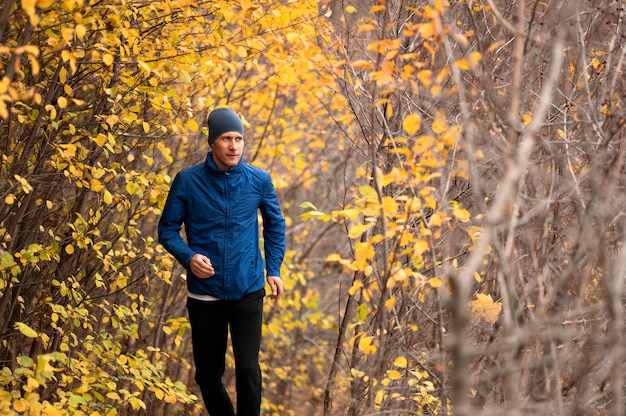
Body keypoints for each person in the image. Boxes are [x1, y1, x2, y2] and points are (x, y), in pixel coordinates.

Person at [158, 107, 286, 416]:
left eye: (239, 138)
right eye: (226, 138)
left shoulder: (259, 180)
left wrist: (274, 268)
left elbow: (275, 224)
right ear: (213, 141)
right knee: (207, 376)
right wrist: (189, 258)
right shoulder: (187, 181)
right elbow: (167, 230)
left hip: (248, 288)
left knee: (246, 368)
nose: (233, 146)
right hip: (205, 293)